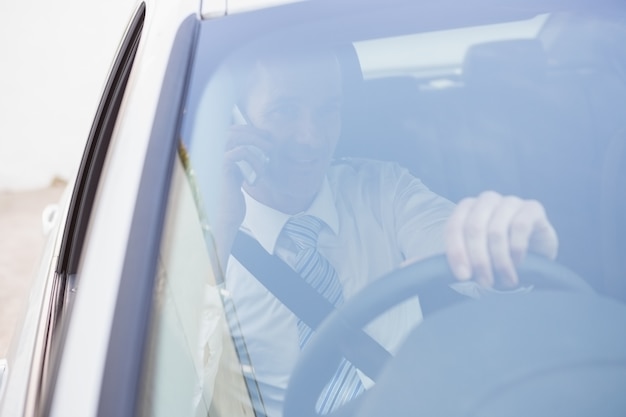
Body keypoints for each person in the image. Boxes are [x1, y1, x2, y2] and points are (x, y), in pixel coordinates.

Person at [214, 46, 558, 416]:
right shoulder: (204, 237)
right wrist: (219, 230)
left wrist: (504, 245)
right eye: (285, 110)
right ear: (236, 119)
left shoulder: (382, 190)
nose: (312, 137)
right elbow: (178, 378)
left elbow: (459, 246)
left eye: (329, 109)